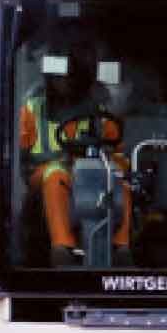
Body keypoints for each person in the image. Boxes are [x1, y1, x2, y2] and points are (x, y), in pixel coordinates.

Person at [19, 47, 134, 266]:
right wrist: (57, 159)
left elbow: (115, 142)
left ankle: (121, 245)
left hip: (90, 169)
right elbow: (19, 150)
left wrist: (113, 157)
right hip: (44, 170)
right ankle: (62, 247)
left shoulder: (97, 110)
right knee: (55, 175)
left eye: (70, 76)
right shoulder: (33, 109)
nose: (64, 82)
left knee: (119, 175)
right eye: (59, 77)